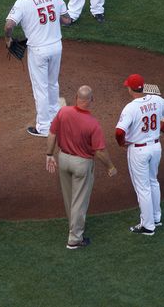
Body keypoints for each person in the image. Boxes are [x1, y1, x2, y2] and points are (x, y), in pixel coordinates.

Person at [45, 85, 117, 249]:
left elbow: (52, 133)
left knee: (69, 197)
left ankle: (74, 226)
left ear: (76, 97)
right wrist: (110, 166)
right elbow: (99, 151)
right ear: (91, 100)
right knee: (79, 201)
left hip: (63, 159)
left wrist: (49, 154)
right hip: (81, 164)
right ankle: (75, 239)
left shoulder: (63, 112)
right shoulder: (93, 123)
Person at [5, 0, 72, 137]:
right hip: (56, 47)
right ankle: (57, 118)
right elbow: (67, 20)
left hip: (38, 50)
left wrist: (8, 39)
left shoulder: (23, 2)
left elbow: (8, 25)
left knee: (40, 88)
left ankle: (43, 127)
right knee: (52, 83)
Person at [115, 74, 164, 235]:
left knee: (143, 188)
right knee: (153, 182)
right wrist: (163, 129)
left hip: (138, 151)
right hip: (155, 147)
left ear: (131, 89)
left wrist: (122, 143)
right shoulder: (156, 100)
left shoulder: (130, 108)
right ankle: (156, 217)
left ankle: (147, 225)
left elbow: (119, 132)